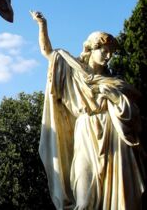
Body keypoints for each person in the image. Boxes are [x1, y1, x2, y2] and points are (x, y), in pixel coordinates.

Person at [30, 11, 145, 209]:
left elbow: (135, 105)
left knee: (120, 193)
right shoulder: (74, 70)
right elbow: (48, 52)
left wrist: (116, 98)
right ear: (92, 48)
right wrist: (42, 25)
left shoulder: (115, 82)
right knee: (84, 195)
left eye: (111, 52)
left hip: (114, 135)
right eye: (104, 50)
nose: (108, 56)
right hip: (86, 132)